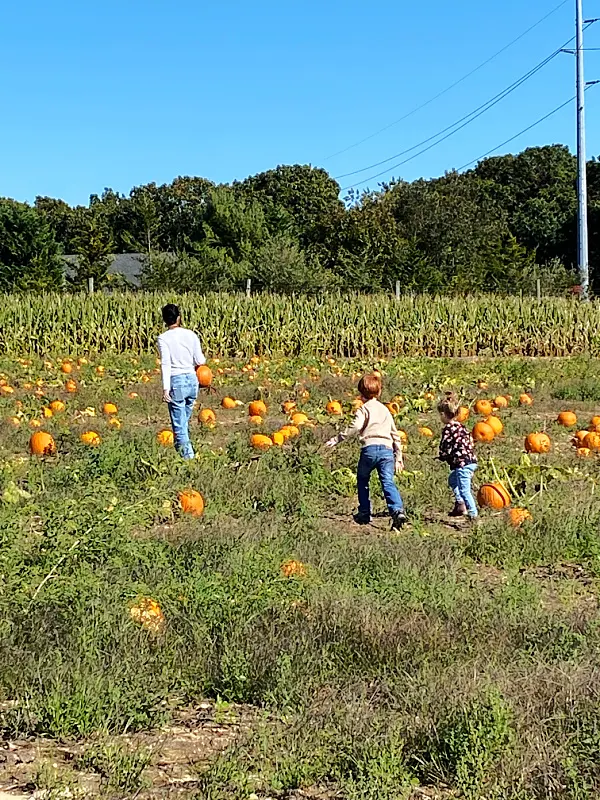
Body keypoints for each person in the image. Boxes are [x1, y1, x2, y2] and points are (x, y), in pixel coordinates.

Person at [325, 373, 406, 530]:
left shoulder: (364, 409)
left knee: (362, 479)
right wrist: (399, 457)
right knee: (387, 481)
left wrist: (337, 439)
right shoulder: (385, 410)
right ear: (379, 392)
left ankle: (364, 512)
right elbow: (395, 434)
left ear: (360, 393)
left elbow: (355, 427)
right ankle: (397, 510)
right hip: (387, 451)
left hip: (369, 449)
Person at [157, 303, 205, 460]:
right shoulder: (191, 335)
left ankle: (188, 459)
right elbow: (200, 360)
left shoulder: (163, 338)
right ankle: (180, 451)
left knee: (179, 425)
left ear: (165, 320)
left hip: (176, 382)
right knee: (183, 422)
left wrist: (165, 388)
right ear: (179, 317)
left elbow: (165, 363)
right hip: (192, 381)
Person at [437, 392, 478, 519]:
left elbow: (445, 445)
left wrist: (442, 456)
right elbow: (470, 442)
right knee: (453, 480)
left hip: (462, 464)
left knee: (465, 490)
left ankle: (473, 515)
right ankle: (460, 504)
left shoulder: (448, 429)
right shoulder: (461, 427)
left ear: (443, 415)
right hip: (470, 461)